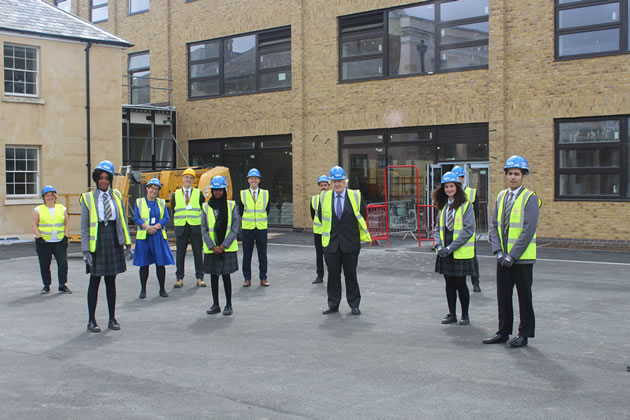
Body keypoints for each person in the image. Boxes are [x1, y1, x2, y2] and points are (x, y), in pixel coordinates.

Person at [483, 155, 540, 348]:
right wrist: (498, 251)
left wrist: (512, 255)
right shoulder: (501, 196)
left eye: (517, 174)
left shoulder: (529, 198)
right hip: (503, 259)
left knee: (524, 298)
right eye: (510, 174)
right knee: (503, 296)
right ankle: (503, 331)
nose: (513, 177)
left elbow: (528, 229)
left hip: (521, 260)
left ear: (524, 176)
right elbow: (494, 225)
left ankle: (524, 334)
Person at [80, 160, 133, 332]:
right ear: (96, 179)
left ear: (110, 180)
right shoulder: (88, 198)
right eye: (100, 178)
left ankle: (112, 318)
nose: (103, 181)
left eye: (106, 178)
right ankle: (91, 320)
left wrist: (127, 244)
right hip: (98, 242)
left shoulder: (116, 195)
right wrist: (85, 250)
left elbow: (122, 222)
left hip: (113, 238)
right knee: (94, 281)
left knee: (111, 281)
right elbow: (84, 227)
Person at [318, 166, 371, 315]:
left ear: (345, 181)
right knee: (333, 276)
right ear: (330, 183)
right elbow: (322, 217)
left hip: (350, 243)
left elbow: (362, 215)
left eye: (340, 181)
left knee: (351, 275)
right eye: (334, 181)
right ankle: (333, 304)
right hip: (331, 244)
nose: (337, 184)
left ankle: (354, 304)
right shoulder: (324, 197)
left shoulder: (355, 196)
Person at [432, 172, 476, 326]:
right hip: (445, 251)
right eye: (446, 187)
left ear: (457, 187)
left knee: (461, 283)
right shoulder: (443, 207)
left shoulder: (466, 206)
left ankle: (465, 314)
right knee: (449, 283)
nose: (449, 189)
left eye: (451, 186)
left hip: (458, 250)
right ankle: (452, 314)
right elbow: (437, 228)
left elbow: (468, 230)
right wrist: (438, 245)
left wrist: (450, 247)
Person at [202, 176, 240, 316]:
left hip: (226, 248)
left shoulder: (231, 206)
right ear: (212, 190)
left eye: (220, 190)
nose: (218, 193)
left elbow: (235, 227)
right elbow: (204, 229)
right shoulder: (206, 207)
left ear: (224, 190)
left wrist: (223, 245)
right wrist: (212, 246)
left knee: (225, 276)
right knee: (213, 276)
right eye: (215, 190)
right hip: (212, 249)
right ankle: (215, 304)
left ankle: (228, 305)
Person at [133, 178, 175, 299]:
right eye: (152, 188)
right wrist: (147, 227)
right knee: (144, 264)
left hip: (157, 236)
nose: (154, 191)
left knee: (160, 263)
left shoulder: (161, 203)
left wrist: (156, 227)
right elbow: (136, 218)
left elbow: (166, 218)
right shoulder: (139, 202)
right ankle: (143, 290)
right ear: (147, 188)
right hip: (144, 237)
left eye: (156, 189)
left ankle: (162, 289)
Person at [32, 185, 71, 294]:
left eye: (52, 195)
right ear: (44, 197)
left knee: (63, 264)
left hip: (59, 241)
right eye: (47, 195)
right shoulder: (38, 210)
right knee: (45, 265)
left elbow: (66, 223)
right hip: (44, 242)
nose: (50, 197)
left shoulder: (61, 208)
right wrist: (39, 237)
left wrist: (66, 236)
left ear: (55, 197)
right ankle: (46, 285)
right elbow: (34, 224)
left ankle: (62, 284)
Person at [172, 168, 207, 288]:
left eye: (191, 178)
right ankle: (179, 278)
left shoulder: (199, 193)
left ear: (193, 180)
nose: (188, 180)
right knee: (180, 253)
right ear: (182, 179)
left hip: (195, 226)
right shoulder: (175, 194)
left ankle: (200, 277)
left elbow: (203, 209)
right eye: (186, 177)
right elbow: (173, 210)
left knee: (198, 252)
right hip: (181, 227)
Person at [238, 168, 270, 287]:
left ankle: (263, 278)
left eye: (255, 178)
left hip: (261, 228)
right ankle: (247, 278)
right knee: (247, 255)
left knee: (263, 255)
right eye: (251, 178)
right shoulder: (243, 194)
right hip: (248, 229)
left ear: (259, 180)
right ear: (248, 180)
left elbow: (267, 210)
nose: (253, 180)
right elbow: (241, 210)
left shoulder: (266, 193)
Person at [452, 165, 481, 292]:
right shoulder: (450, 194)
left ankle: (475, 282)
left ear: (463, 178)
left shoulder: (472, 193)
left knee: (472, 258)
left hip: (468, 232)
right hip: (453, 232)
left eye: (459, 179)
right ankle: (457, 283)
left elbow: (476, 213)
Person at [310, 175, 330, 284]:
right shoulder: (314, 199)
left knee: (330, 255)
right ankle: (320, 275)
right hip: (318, 231)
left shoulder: (332, 198)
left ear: (328, 186)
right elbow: (313, 215)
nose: (323, 187)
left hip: (329, 231)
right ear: (319, 186)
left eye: (325, 185)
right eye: (321, 185)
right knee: (319, 255)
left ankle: (332, 275)